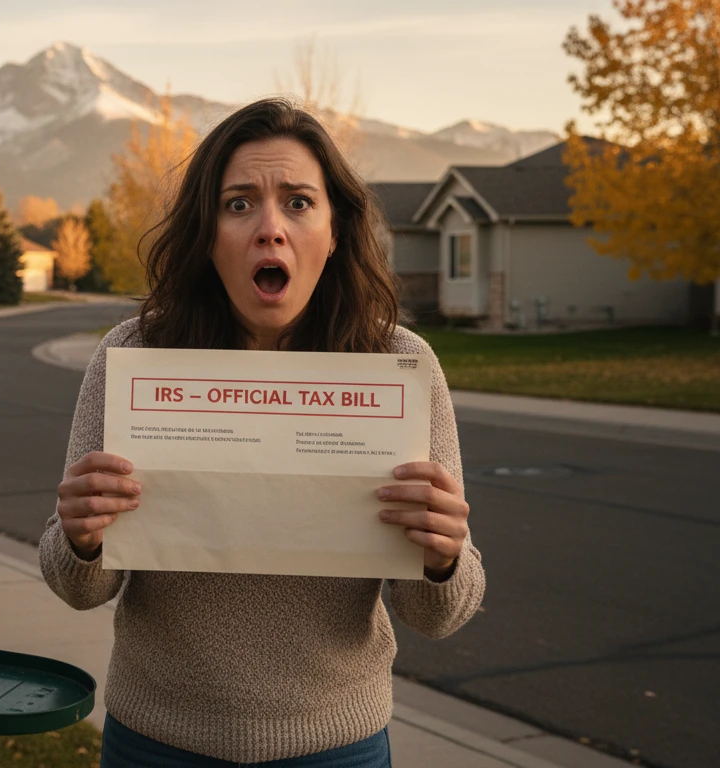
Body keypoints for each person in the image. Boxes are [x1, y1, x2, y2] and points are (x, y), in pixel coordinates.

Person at [38, 98, 485, 768]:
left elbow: (438, 614)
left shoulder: (399, 369)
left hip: (337, 747)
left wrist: (445, 554)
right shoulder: (134, 357)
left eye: (299, 202)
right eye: (239, 203)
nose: (270, 228)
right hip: (156, 742)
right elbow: (78, 587)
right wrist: (79, 536)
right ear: (207, 232)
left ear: (334, 231)